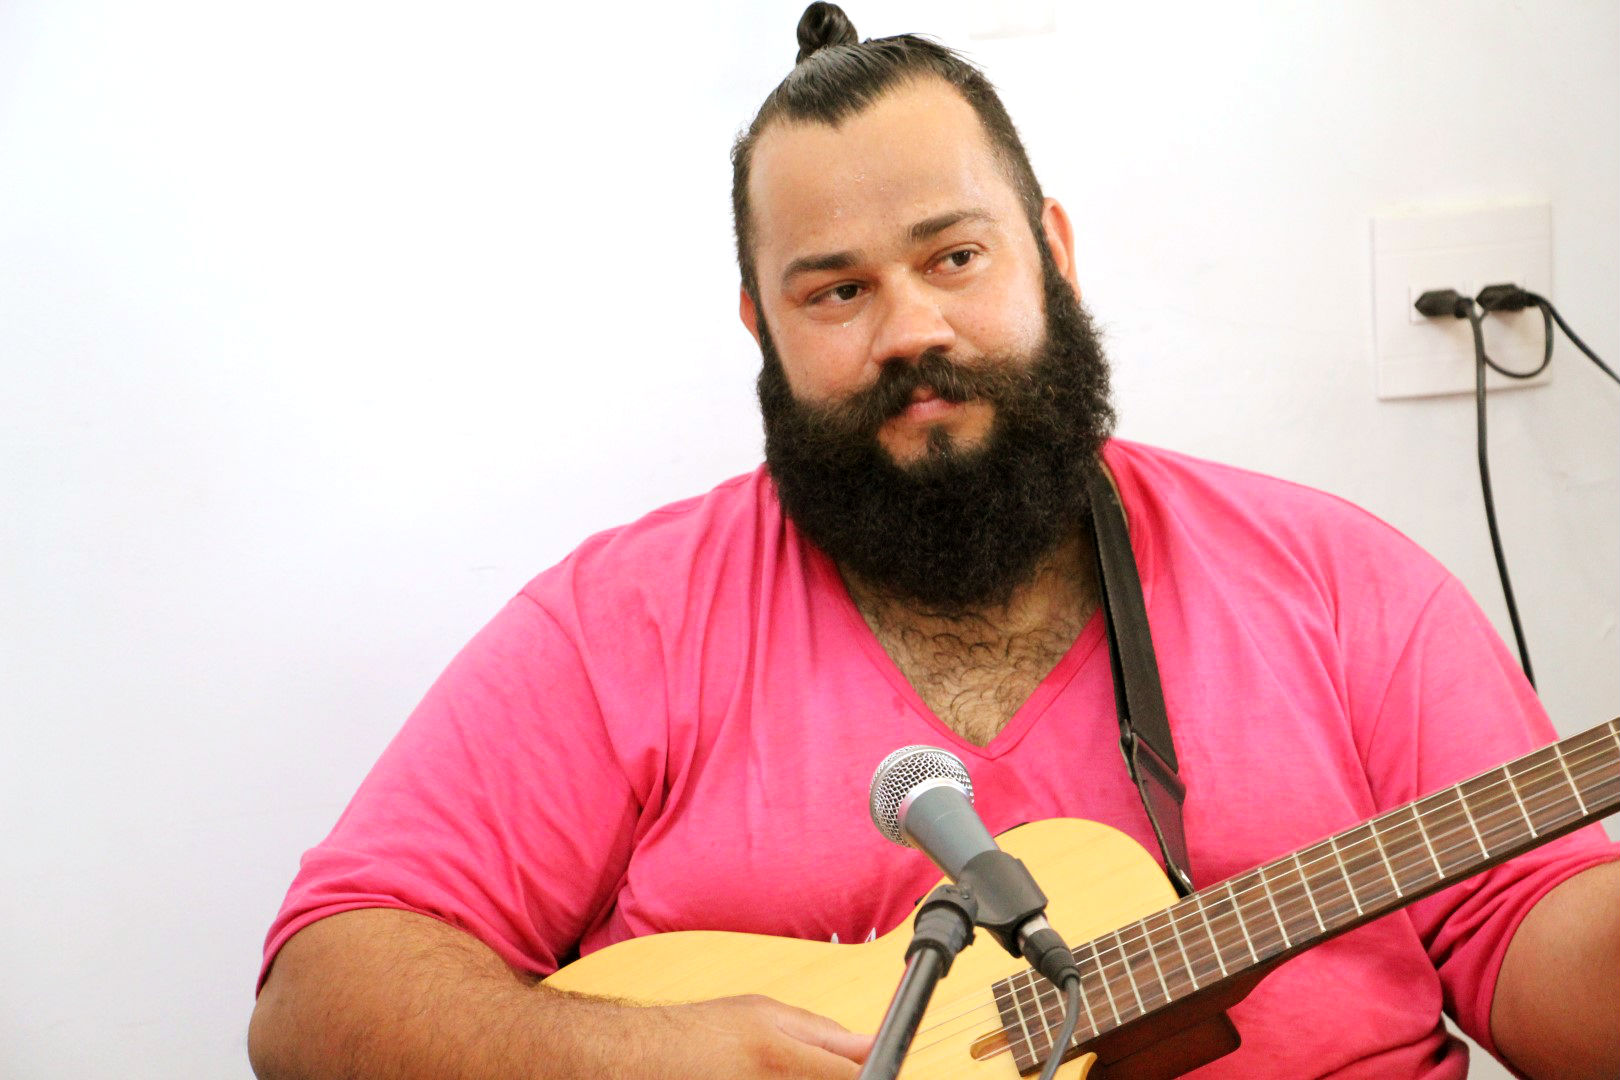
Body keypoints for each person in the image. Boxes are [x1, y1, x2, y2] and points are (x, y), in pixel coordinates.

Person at [247, 5, 1620, 1078]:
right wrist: (635, 1058)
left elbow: (1541, 959)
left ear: (1051, 255)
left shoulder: (1341, 585)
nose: (911, 330)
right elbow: (320, 998)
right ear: (762, 330)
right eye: (836, 292)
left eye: (954, 257)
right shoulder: (624, 623)